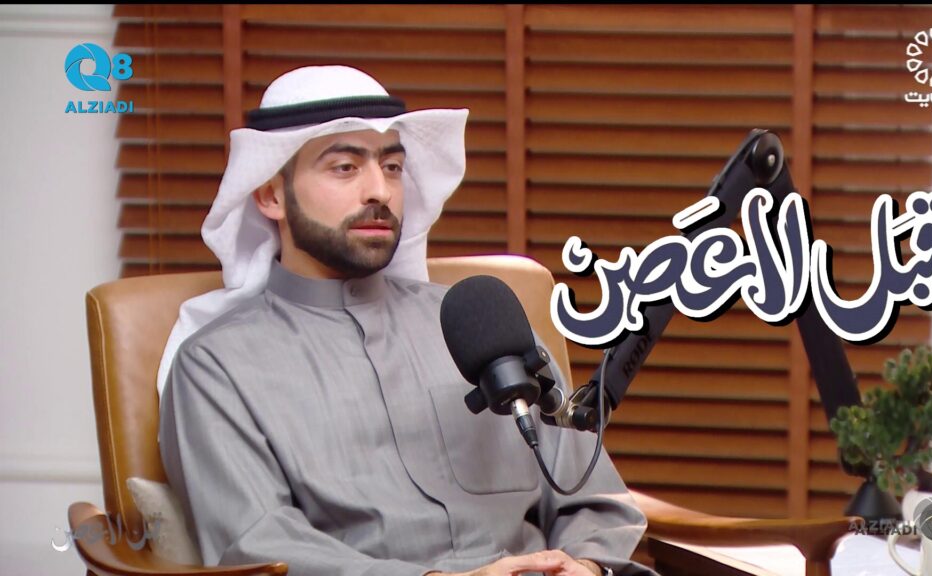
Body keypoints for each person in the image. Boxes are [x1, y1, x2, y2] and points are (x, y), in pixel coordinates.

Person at [157, 65, 655, 576]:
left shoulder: (480, 323)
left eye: (392, 166)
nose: (380, 191)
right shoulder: (216, 366)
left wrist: (588, 565)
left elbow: (592, 497)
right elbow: (256, 543)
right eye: (345, 167)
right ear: (271, 195)